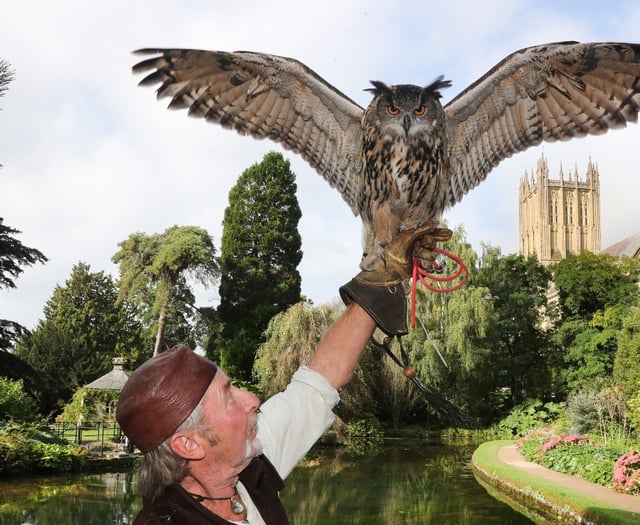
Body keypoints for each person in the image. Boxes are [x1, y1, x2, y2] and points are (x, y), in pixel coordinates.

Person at [116, 223, 447, 524]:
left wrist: (384, 277)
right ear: (189, 444)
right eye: (228, 397)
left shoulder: (245, 465)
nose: (251, 399)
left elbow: (320, 380)